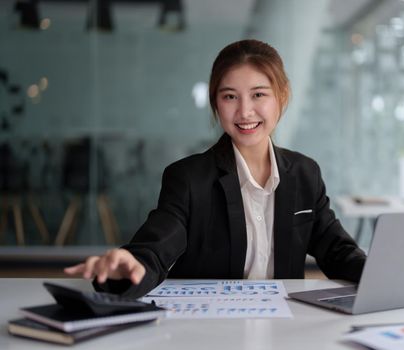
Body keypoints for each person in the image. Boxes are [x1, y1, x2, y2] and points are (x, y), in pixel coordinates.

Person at [64, 39, 366, 298]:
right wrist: (130, 266)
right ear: (216, 104)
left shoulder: (304, 173)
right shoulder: (188, 178)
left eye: (259, 94)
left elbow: (337, 251)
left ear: (282, 96)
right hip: (210, 329)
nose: (245, 111)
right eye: (230, 96)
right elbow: (155, 249)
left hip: (284, 329)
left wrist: (381, 271)